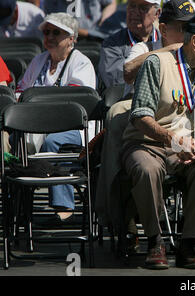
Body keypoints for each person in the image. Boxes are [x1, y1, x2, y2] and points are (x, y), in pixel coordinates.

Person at [121, 14, 195, 269]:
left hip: (189, 146)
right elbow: (140, 116)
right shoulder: (156, 62)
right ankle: (155, 240)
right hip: (147, 143)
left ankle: (192, 242)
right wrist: (174, 140)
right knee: (146, 169)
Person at [95, 0, 195, 257]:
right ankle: (121, 215)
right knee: (119, 117)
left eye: (189, 29)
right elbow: (127, 72)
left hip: (178, 116)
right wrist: (173, 50)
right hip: (139, 114)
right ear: (164, 28)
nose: (186, 34)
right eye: (180, 28)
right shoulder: (143, 47)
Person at [16, 13, 96, 222]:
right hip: (35, 124)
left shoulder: (81, 63)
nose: (50, 36)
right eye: (46, 32)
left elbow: (77, 102)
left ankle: (64, 207)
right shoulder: (38, 60)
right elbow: (21, 92)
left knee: (53, 141)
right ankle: (16, 204)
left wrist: (38, 102)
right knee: (15, 140)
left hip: (72, 128)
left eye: (56, 32)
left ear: (71, 38)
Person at [98, 0, 162, 92]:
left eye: (143, 8)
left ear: (157, 14)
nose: (135, 12)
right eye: (132, 6)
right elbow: (116, 83)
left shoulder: (165, 42)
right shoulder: (112, 44)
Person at [44, 0, 117, 40]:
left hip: (95, 39)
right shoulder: (49, 2)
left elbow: (111, 3)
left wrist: (103, 21)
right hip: (63, 41)